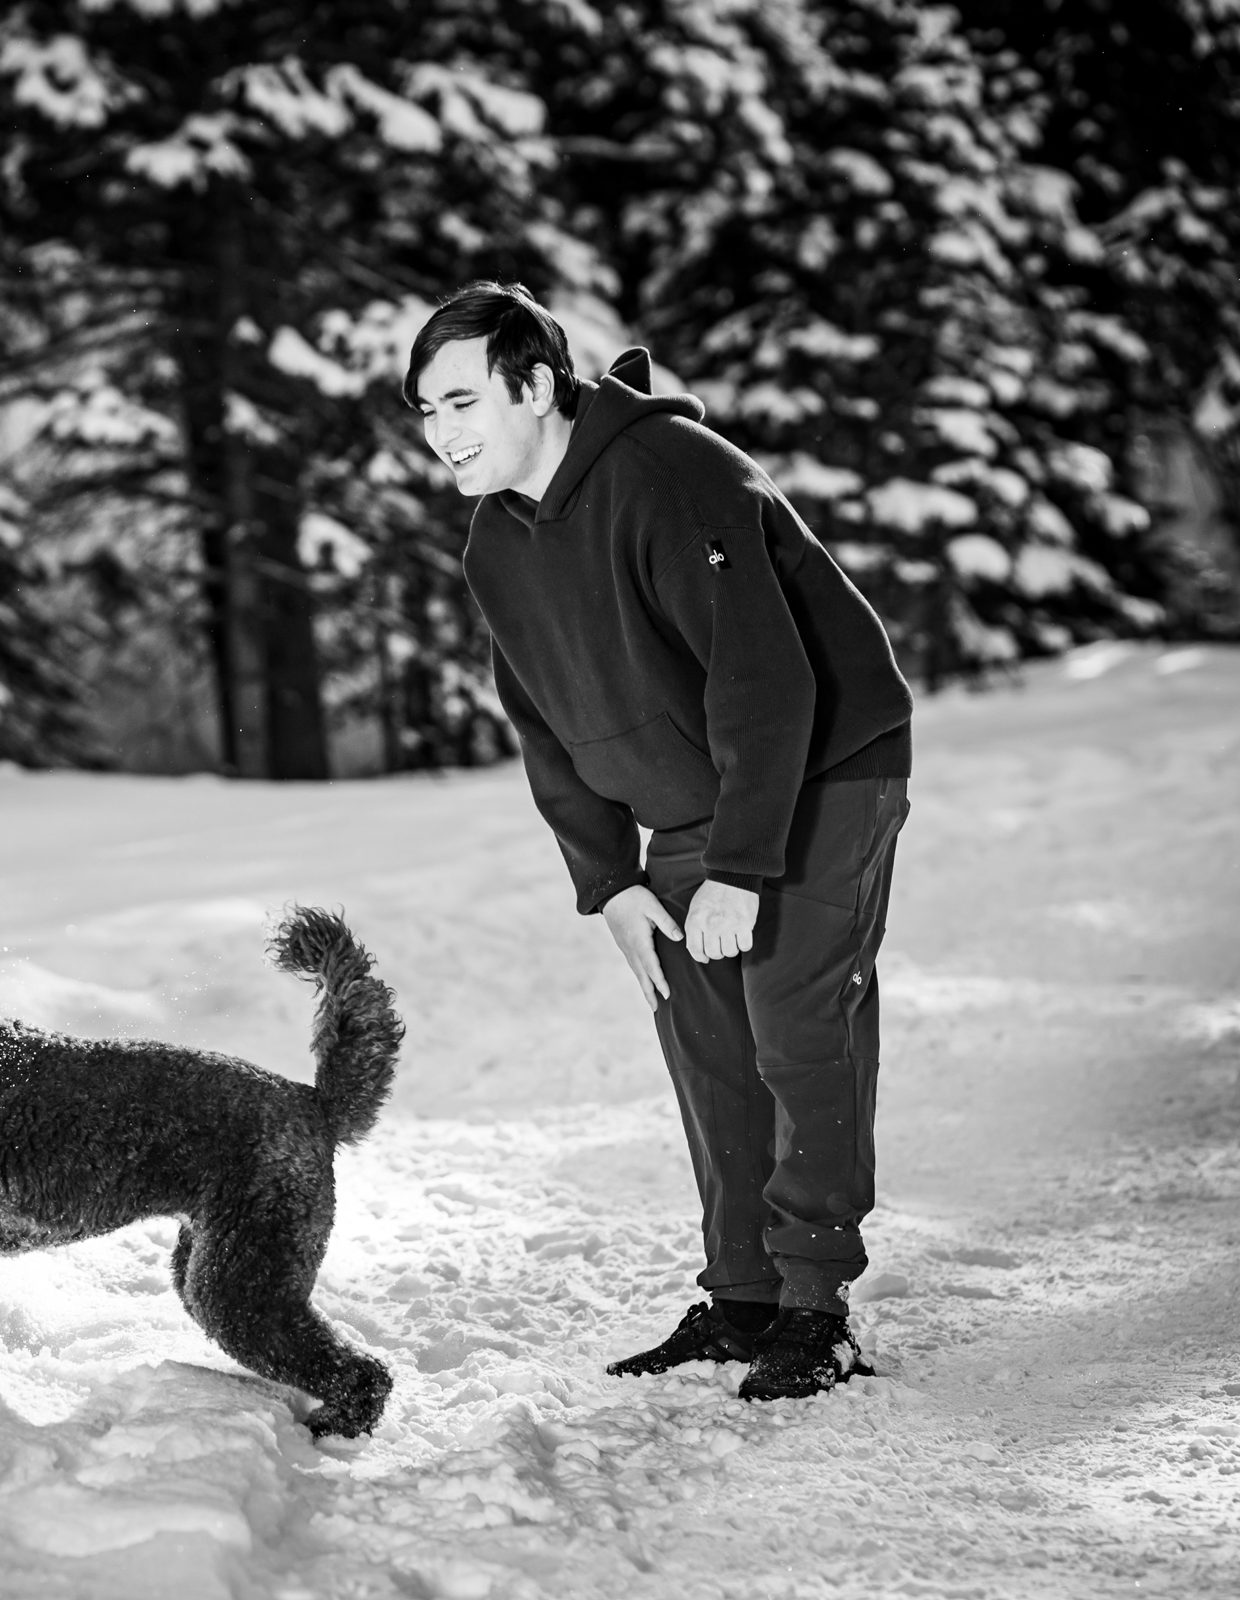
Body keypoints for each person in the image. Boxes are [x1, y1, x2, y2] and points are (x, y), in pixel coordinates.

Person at [404, 282, 914, 1401]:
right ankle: (744, 1296)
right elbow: (537, 716)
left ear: (534, 385)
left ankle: (816, 1306)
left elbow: (766, 679)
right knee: (708, 1044)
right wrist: (610, 880)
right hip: (689, 801)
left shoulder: (676, 473)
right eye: (424, 411)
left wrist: (740, 867)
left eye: (459, 401)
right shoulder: (497, 538)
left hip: (824, 766)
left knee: (794, 1026)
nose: (439, 434)